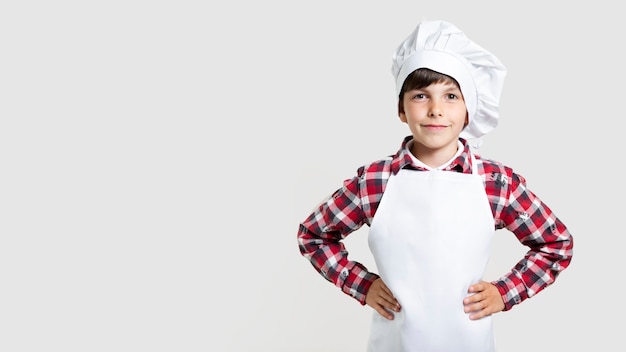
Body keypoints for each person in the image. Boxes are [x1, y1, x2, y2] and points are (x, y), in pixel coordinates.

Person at [296, 20, 574, 352]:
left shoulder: (495, 183)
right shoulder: (375, 181)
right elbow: (313, 235)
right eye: (420, 96)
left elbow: (556, 243)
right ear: (401, 109)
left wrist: (505, 292)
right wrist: (363, 285)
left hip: (469, 342)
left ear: (469, 110)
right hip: (393, 343)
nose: (436, 109)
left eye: (451, 96)